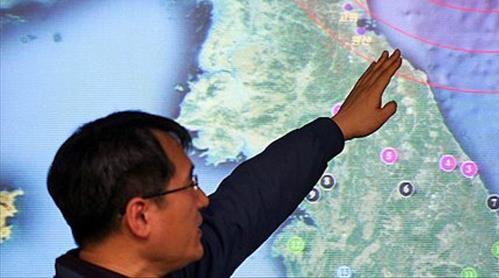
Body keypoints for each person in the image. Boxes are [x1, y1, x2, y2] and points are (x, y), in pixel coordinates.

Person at [48, 49, 403, 278]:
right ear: (140, 216)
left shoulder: (170, 267)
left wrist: (336, 130)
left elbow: (245, 206)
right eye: (190, 185)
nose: (203, 200)